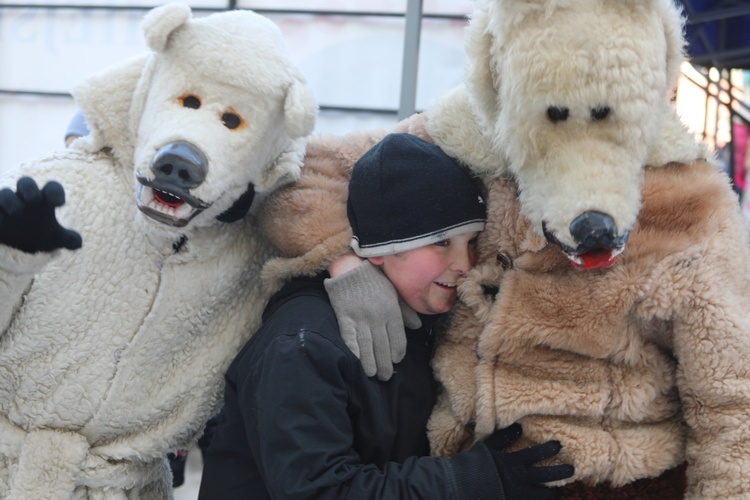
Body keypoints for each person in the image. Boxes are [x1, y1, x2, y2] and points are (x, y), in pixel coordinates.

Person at [198, 133, 574, 499]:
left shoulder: (425, 324)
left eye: (471, 242)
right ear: (379, 249)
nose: (464, 263)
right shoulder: (302, 346)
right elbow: (320, 490)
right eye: (441, 241)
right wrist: (468, 481)